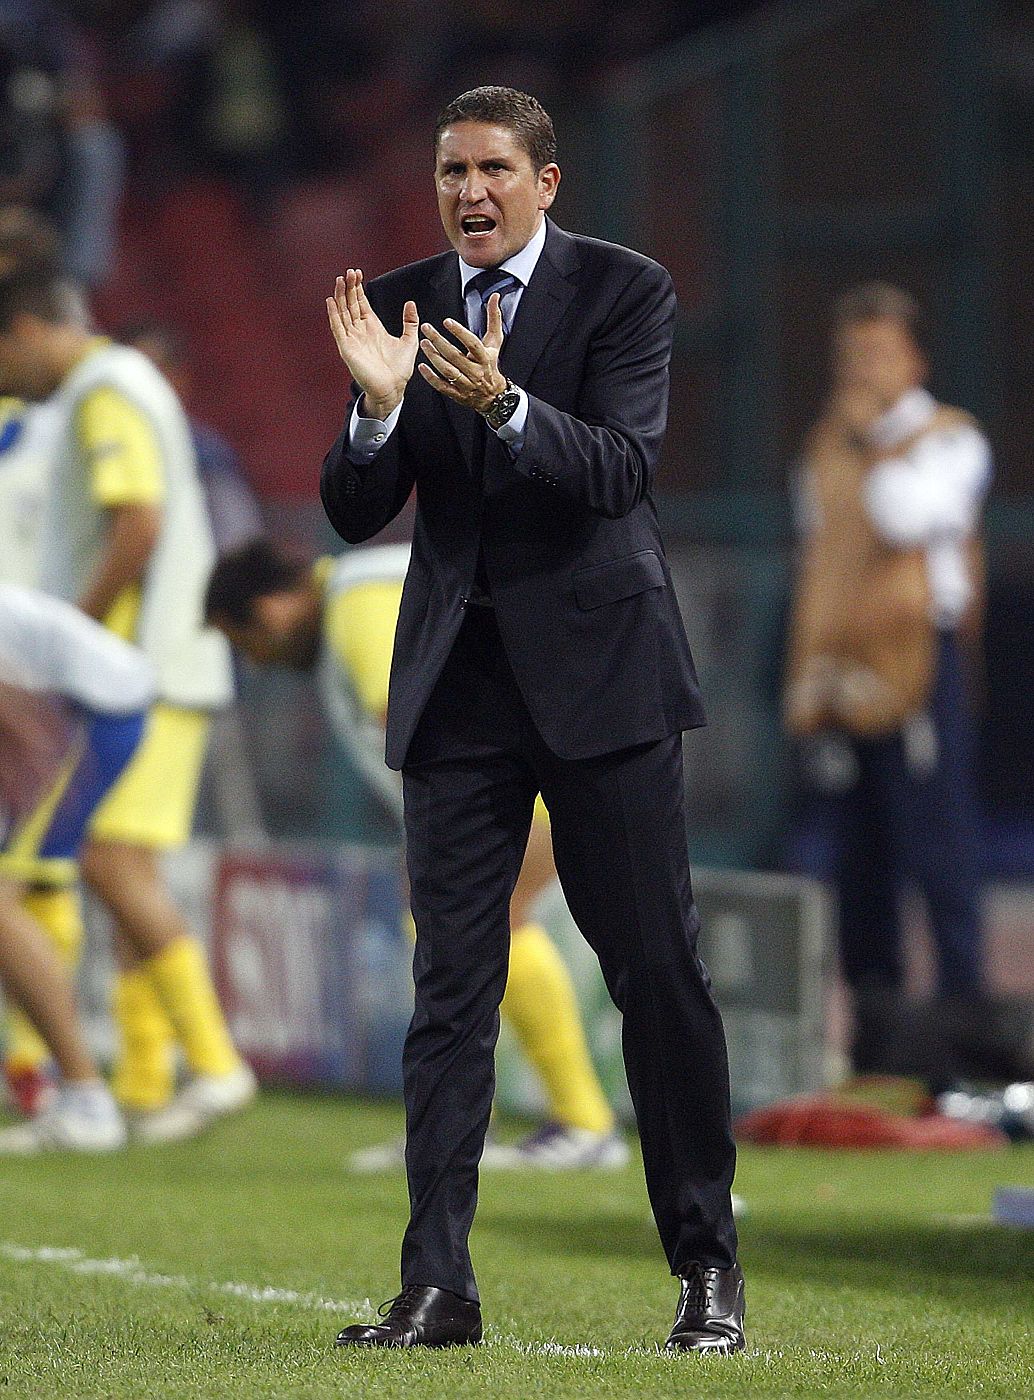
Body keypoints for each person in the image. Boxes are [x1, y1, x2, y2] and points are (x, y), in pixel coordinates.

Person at [319, 86, 743, 1353]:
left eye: (494, 168)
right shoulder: (401, 298)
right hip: (461, 684)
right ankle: (434, 1287)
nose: (469, 193)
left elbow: (618, 470)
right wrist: (378, 407)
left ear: (545, 180)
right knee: (450, 986)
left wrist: (503, 403)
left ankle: (706, 1267)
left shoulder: (624, 291)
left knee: (654, 969)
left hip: (603, 677)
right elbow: (353, 510)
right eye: (450, 171)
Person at [205, 536, 628, 1170]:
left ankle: (574, 1124)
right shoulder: (365, 589)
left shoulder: (354, 599)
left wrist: (460, 824)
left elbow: (401, 707)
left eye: (245, 643)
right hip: (534, 760)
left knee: (476, 933)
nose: (258, 663)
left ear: (267, 609)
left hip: (519, 777)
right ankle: (494, 1125)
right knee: (457, 936)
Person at [0, 207, 256, 1143]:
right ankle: (111, 1079)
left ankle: (189, 1069)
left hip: (141, 669)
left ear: (26, 330)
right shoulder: (104, 389)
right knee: (76, 865)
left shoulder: (104, 390)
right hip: (147, 667)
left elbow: (138, 524)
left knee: (83, 861)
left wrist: (65, 641)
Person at [785, 282, 991, 1064]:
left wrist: (872, 443)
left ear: (915, 358)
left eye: (879, 352)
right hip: (843, 674)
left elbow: (906, 517)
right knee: (856, 860)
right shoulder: (825, 444)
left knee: (938, 849)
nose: (862, 370)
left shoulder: (950, 439)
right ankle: (879, 1035)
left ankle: (969, 1029)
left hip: (916, 673)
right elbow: (817, 548)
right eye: (852, 355)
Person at [0, 583, 154, 1152]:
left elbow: (27, 727)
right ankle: (68, 1091)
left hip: (89, 718)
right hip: (79, 709)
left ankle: (87, 1100)